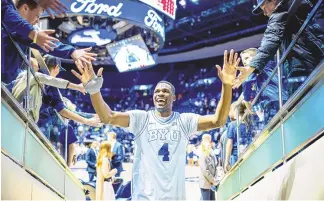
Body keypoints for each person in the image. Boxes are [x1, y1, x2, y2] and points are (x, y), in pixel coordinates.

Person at [72, 49, 240, 200]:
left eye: (165, 91)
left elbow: (218, 120)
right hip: (144, 196)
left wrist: (227, 84)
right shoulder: (141, 119)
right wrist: (94, 91)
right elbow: (108, 117)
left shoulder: (184, 121)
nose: (160, 93)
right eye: (157, 91)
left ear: (174, 98)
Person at [233, 0, 324, 95]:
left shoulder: (279, 13)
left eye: (264, 8)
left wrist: (251, 67)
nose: (264, 13)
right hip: (315, 56)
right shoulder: (296, 6)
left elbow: (270, 40)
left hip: (303, 65)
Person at [1, 0, 97, 83]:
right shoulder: (9, 16)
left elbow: (48, 44)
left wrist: (72, 52)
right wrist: (33, 34)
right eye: (37, 16)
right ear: (25, 8)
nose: (37, 21)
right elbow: (7, 13)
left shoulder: (22, 33)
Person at [11, 57, 85, 122]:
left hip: (14, 109)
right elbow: (61, 108)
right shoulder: (37, 76)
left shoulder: (23, 75)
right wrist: (78, 87)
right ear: (57, 67)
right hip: (25, 115)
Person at [224, 103, 253, 172]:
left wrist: (226, 161)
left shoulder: (232, 125)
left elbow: (229, 145)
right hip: (249, 155)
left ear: (236, 111)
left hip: (236, 157)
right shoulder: (249, 124)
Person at [199, 136, 217, 200]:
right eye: (208, 144)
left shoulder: (211, 154)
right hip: (205, 184)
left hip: (211, 183)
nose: (209, 145)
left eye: (209, 143)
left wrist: (215, 178)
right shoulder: (202, 155)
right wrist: (212, 180)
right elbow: (205, 171)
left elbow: (214, 167)